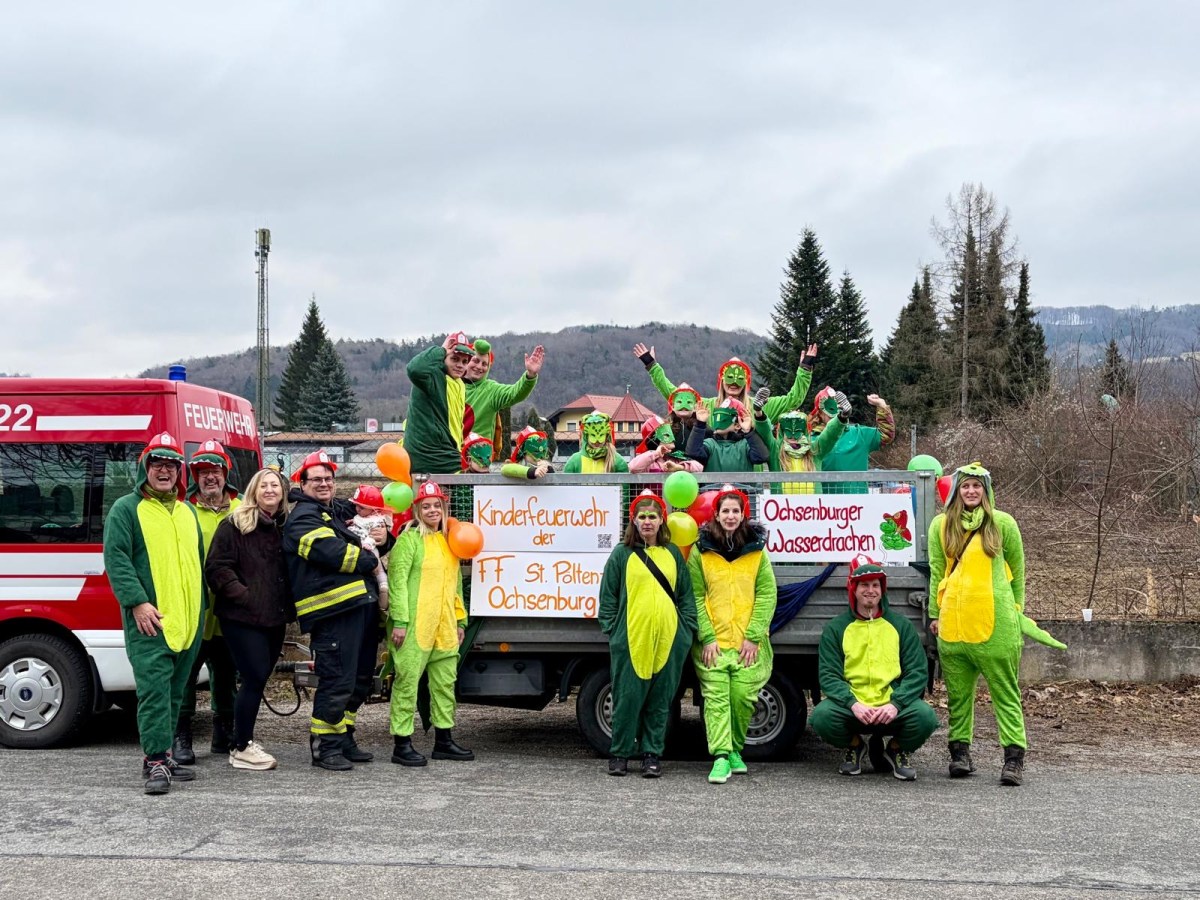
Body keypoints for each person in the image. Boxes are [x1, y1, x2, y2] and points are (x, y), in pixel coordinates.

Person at [102, 432, 204, 794]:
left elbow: (198, 563)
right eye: (158, 464)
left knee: (176, 692)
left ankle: (164, 756)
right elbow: (116, 558)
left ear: (180, 472)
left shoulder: (187, 511)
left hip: (188, 619)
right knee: (155, 692)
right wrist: (137, 601)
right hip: (151, 621)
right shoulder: (126, 509)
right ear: (145, 468)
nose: (165, 471)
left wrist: (201, 607)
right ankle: (156, 760)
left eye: (171, 465)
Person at [283, 450, 394, 771]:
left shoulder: (337, 510)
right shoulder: (303, 517)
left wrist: (383, 537)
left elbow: (372, 530)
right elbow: (331, 551)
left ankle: (344, 737)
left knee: (359, 680)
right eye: (316, 479)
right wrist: (370, 559)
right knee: (336, 680)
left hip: (360, 608)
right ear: (302, 484)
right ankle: (325, 746)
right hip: (333, 615)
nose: (324, 484)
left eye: (328, 478)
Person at [928, 462, 1029, 786]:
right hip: (954, 625)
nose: (971, 491)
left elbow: (1018, 571)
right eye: (965, 486)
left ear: (986, 491)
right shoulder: (941, 526)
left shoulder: (1003, 524)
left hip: (994, 624)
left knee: (1004, 691)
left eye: (977, 486)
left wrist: (1015, 610)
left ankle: (1013, 759)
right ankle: (960, 754)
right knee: (958, 695)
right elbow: (936, 571)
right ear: (956, 490)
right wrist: (934, 613)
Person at [810, 555, 939, 781]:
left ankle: (896, 750)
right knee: (821, 717)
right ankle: (856, 746)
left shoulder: (901, 626)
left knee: (925, 717)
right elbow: (828, 676)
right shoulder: (836, 628)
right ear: (853, 588)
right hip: (855, 704)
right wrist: (853, 704)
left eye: (875, 585)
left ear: (882, 589)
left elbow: (918, 672)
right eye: (864, 585)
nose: (870, 590)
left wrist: (896, 704)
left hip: (891, 703)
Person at [598, 490, 697, 778]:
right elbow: (608, 597)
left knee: (660, 700)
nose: (647, 522)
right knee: (627, 698)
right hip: (631, 638)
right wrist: (613, 630)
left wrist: (685, 630)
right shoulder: (622, 554)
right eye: (642, 517)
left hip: (669, 639)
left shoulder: (673, 554)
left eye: (653, 516)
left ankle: (652, 754)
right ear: (634, 521)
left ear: (662, 521)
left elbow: (686, 596)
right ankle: (620, 753)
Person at [204, 468, 295, 771]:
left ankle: (241, 740)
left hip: (274, 617)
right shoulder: (235, 524)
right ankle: (242, 746)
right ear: (253, 491)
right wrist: (244, 596)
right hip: (242, 616)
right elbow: (217, 567)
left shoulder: (284, 526)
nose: (269, 490)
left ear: (282, 493)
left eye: (275, 485)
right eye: (263, 485)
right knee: (254, 676)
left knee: (258, 679)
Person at [688, 485, 777, 784]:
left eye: (735, 511)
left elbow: (766, 593)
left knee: (741, 697)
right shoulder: (701, 551)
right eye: (725, 510)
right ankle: (721, 756)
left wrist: (753, 636)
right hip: (713, 644)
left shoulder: (756, 551)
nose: (730, 515)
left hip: (746, 644)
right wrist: (707, 637)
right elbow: (695, 596)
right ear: (716, 514)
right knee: (716, 699)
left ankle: (736, 749)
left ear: (743, 515)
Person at [387, 480, 473, 766]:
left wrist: (461, 620)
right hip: (414, 626)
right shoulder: (409, 540)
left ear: (444, 508)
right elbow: (397, 582)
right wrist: (399, 620)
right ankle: (402, 743)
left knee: (445, 684)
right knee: (407, 682)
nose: (433, 510)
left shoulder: (450, 541)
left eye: (437, 505)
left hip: (445, 625)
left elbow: (456, 584)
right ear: (417, 510)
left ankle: (444, 741)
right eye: (427, 506)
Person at [174, 440, 241, 764]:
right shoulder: (182, 510)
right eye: (202, 472)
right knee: (186, 674)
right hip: (193, 609)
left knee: (226, 673)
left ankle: (223, 733)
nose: (209, 477)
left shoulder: (242, 509)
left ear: (224, 474)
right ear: (194, 477)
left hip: (230, 610)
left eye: (214, 471)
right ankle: (181, 736)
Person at [633, 342, 818, 422]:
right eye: (729, 377)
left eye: (739, 379)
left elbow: (793, 399)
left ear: (746, 382)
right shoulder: (706, 406)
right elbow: (675, 395)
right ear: (721, 381)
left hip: (749, 482)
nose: (734, 383)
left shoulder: (760, 407)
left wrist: (805, 369)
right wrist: (651, 365)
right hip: (713, 481)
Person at [405, 331, 476, 475]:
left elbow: (455, 422)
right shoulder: (431, 375)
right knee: (470, 481)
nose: (460, 365)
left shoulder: (459, 384)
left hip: (449, 452)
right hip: (430, 454)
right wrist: (441, 350)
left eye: (464, 361)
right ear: (444, 357)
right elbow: (414, 369)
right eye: (454, 359)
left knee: (474, 473)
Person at [464, 339, 545, 461]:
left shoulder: (490, 390)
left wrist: (530, 375)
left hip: (478, 461)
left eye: (484, 364)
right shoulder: (450, 385)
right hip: (449, 458)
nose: (479, 367)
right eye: (475, 361)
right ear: (466, 360)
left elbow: (515, 393)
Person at [807, 387, 895, 493]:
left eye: (839, 405)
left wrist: (882, 406)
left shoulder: (859, 434)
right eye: (830, 407)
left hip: (856, 505)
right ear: (820, 413)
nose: (835, 411)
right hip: (825, 505)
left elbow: (886, 435)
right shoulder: (811, 440)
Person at [757, 399, 846, 494]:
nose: (793, 436)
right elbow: (765, 434)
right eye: (788, 432)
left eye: (798, 432)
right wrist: (759, 413)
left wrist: (842, 417)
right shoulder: (776, 452)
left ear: (804, 432)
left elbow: (829, 435)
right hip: (783, 507)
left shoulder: (814, 451)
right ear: (783, 433)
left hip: (812, 507)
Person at [685, 398, 770, 473]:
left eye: (723, 418)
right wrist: (700, 424)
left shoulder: (745, 445)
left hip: (742, 490)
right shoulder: (710, 444)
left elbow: (761, 457)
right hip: (714, 490)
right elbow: (693, 453)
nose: (719, 421)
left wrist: (749, 431)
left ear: (737, 425)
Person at [347, 484, 395, 611]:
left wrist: (367, 543)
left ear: (373, 509)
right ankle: (383, 586)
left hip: (368, 548)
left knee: (377, 569)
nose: (357, 509)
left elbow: (369, 534)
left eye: (361, 507)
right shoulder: (366, 516)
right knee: (377, 570)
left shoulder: (374, 521)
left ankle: (384, 587)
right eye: (356, 505)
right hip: (363, 550)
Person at [629, 416, 701, 474]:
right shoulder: (648, 462)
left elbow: (699, 467)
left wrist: (679, 467)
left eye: (672, 434)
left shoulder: (676, 459)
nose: (672, 438)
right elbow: (633, 467)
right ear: (654, 440)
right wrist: (656, 453)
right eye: (667, 435)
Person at [562, 411, 629, 473]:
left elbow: (624, 484)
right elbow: (565, 483)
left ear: (606, 436)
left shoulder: (617, 461)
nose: (597, 441)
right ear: (586, 436)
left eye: (601, 435)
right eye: (593, 435)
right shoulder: (575, 461)